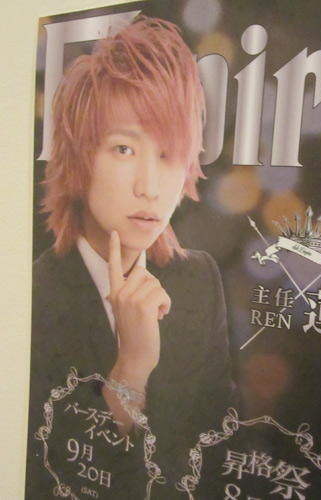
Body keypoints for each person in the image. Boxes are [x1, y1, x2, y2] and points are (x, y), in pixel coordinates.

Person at [25, 16, 235, 499]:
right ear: (79, 156)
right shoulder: (31, 296)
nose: (150, 186)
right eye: (123, 148)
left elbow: (219, 449)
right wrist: (132, 367)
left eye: (168, 153)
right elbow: (50, 477)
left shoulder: (198, 279)